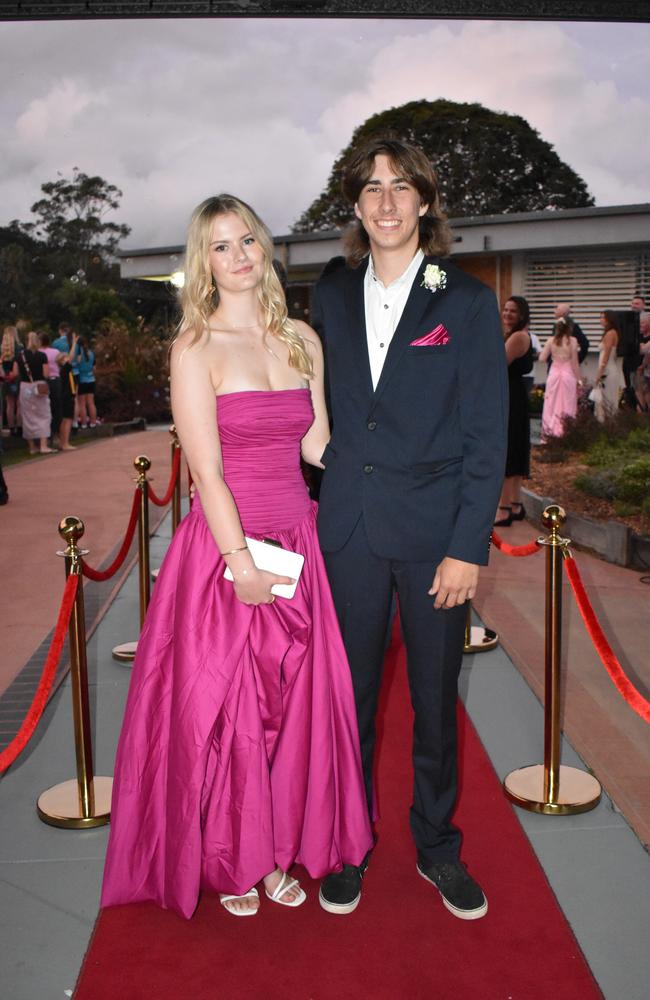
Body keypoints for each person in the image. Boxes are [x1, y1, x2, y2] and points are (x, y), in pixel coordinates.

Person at [101, 194, 372, 920]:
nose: (240, 255)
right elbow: (206, 471)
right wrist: (240, 561)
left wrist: (384, 476)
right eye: (221, 246)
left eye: (247, 239)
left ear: (265, 248)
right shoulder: (195, 346)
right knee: (233, 713)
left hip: (300, 541)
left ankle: (279, 847)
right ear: (204, 263)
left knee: (295, 709)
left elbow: (315, 445)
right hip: (228, 550)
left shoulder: (302, 340)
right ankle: (236, 860)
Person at [312, 137, 507, 920]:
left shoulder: (462, 300)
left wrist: (468, 548)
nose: (386, 201)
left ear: (425, 202)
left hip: (435, 540)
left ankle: (436, 846)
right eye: (371, 188)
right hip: (349, 533)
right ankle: (348, 843)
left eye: (401, 187)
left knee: (433, 702)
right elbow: (308, 399)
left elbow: (487, 438)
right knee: (348, 702)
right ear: (356, 206)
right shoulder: (327, 293)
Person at [494, 296, 534, 526]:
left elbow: (497, 365)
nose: (507, 314)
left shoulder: (518, 336)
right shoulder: (516, 335)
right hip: (514, 395)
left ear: (522, 315)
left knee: (509, 451)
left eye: (513, 311)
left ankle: (504, 509)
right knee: (516, 449)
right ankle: (517, 505)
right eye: (506, 309)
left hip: (510, 397)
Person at [538, 316, 581, 439]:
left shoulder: (550, 341)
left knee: (551, 403)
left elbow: (541, 358)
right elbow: (575, 363)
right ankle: (566, 432)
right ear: (569, 328)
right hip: (568, 374)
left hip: (554, 374)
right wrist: (579, 380)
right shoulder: (572, 341)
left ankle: (550, 432)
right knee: (568, 403)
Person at [13, 330, 53, 455]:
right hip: (39, 386)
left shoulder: (19, 356)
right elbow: (46, 374)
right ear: (38, 341)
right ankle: (43, 445)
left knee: (28, 416)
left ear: (26, 342)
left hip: (25, 388)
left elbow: (15, 374)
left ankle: (32, 447)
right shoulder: (42, 356)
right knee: (44, 414)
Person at [592, 310, 626, 422]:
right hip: (609, 369)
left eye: (603, 318)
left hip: (607, 370)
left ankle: (607, 425)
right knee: (606, 399)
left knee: (606, 399)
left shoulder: (610, 333)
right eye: (600, 317)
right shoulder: (612, 332)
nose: (600, 320)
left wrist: (599, 374)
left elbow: (606, 356)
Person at [38, 332, 64, 447]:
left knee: (44, 409)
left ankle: (46, 437)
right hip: (56, 380)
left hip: (43, 382)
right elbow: (60, 365)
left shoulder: (38, 353)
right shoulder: (55, 352)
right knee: (56, 408)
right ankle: (56, 434)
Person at [75, 336, 98, 427]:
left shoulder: (78, 355)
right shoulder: (91, 353)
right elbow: (94, 367)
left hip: (81, 379)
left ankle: (84, 423)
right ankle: (93, 422)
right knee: (91, 403)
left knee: (82, 404)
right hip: (91, 379)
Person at [1, 326, 20, 435]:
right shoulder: (20, 347)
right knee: (19, 403)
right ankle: (20, 426)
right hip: (17, 376)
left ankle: (11, 428)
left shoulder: (2, 348)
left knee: (9, 404)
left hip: (5, 377)